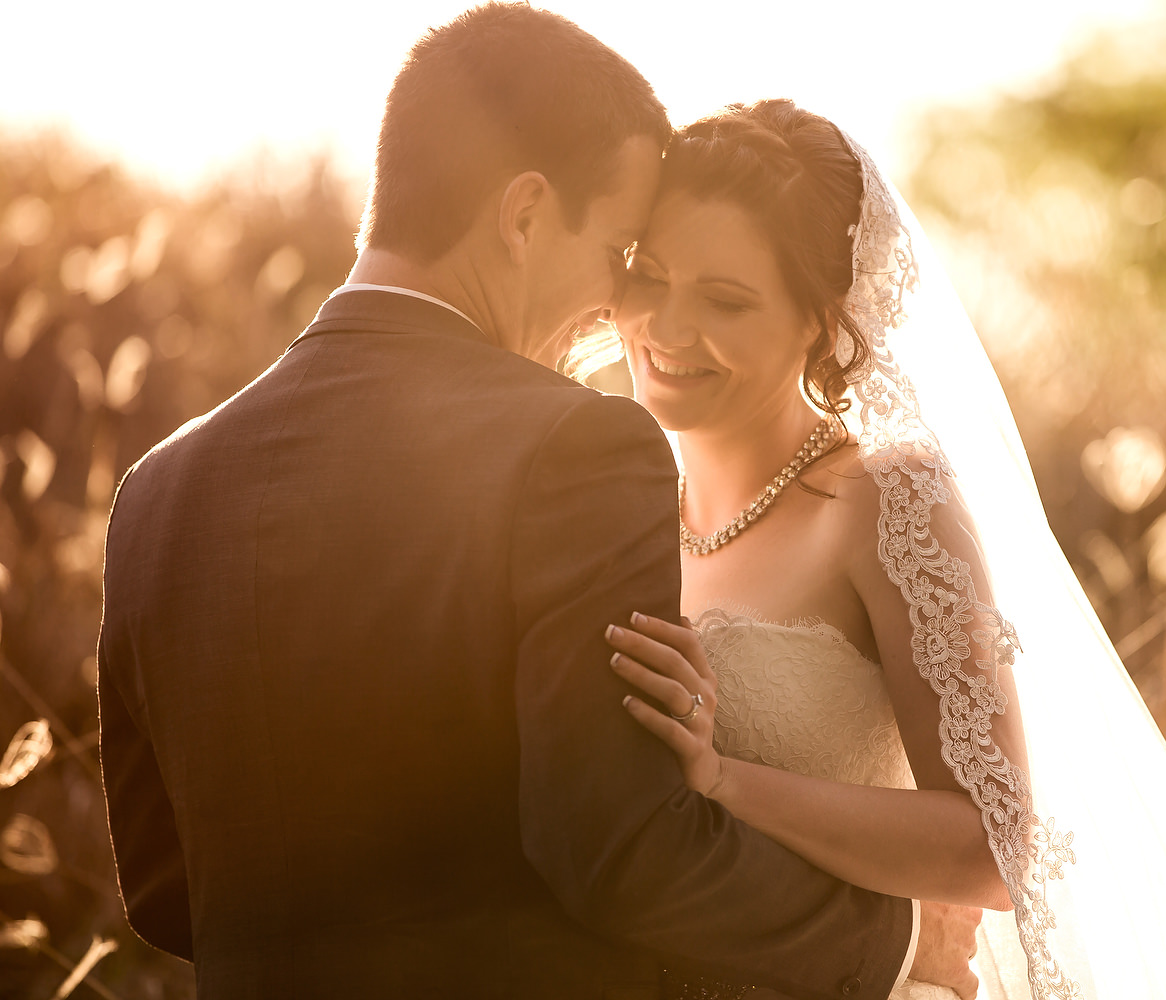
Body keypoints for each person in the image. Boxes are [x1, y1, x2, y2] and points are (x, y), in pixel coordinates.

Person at [95, 7, 980, 998]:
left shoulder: (157, 490)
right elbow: (618, 852)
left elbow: (163, 886)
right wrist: (893, 945)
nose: (618, 312)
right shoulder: (575, 444)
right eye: (621, 260)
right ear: (524, 215)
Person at [600, 100, 1166, 999]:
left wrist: (723, 778)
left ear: (822, 326)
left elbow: (994, 842)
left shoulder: (883, 499)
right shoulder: (612, 503)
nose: (665, 327)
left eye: (725, 299)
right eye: (650, 275)